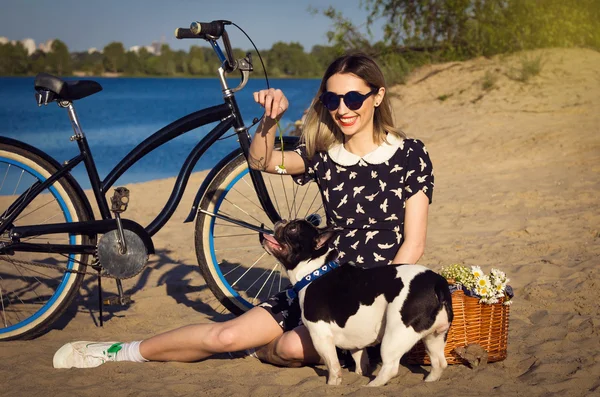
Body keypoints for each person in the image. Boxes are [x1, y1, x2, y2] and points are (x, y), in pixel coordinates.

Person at [52, 52, 434, 369]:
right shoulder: (324, 155)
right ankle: (116, 352)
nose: (342, 110)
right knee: (225, 334)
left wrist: (382, 309)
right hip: (316, 290)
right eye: (332, 100)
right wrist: (269, 121)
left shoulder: (410, 154)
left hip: (375, 296)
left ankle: (258, 350)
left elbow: (413, 246)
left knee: (288, 349)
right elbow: (262, 161)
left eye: (353, 99)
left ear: (378, 96)